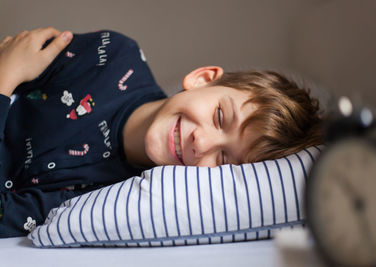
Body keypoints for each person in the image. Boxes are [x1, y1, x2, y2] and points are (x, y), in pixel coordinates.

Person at [0, 27, 322, 237]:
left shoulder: (112, 203)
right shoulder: (112, 57)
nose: (203, 142)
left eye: (225, 160)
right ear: (203, 78)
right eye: (220, 116)